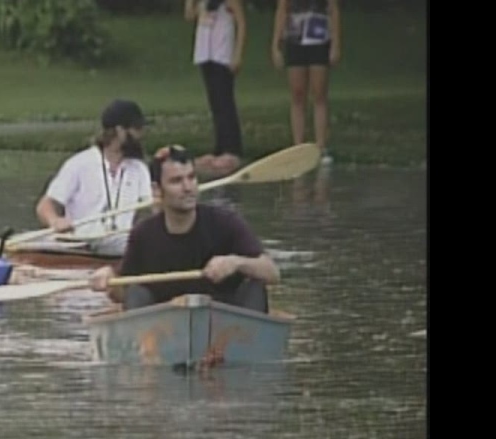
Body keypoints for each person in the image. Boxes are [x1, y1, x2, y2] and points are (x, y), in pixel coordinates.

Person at [88, 145, 280, 313]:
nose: (188, 187)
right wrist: (109, 281)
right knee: (137, 292)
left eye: (191, 177)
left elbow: (272, 272)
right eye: (176, 181)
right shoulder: (144, 235)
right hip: (163, 330)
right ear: (157, 190)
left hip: (229, 325)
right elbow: (124, 294)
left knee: (255, 285)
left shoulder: (225, 222)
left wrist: (236, 263)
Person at [34, 99, 154, 258]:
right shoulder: (80, 163)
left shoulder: (139, 169)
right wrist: (55, 221)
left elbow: (152, 210)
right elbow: (45, 205)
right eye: (137, 129)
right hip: (82, 243)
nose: (141, 135)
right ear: (119, 131)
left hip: (120, 243)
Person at [271, 0, 340, 165]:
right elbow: (282, 10)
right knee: (297, 95)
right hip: (295, 39)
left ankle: (321, 146)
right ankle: (298, 147)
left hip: (318, 38)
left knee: (319, 94)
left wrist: (336, 43)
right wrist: (276, 44)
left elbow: (332, 9)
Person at [186, 0, 247, 175]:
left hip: (223, 52)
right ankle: (220, 146)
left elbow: (241, 23)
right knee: (215, 102)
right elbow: (189, 16)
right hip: (206, 52)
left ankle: (232, 148)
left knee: (225, 100)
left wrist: (237, 53)